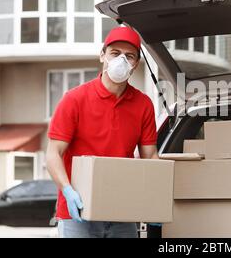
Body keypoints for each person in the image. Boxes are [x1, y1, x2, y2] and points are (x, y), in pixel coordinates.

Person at [46, 26, 159, 238]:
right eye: (115, 53)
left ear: (136, 64)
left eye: (129, 56)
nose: (121, 61)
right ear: (102, 56)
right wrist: (67, 191)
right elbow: (53, 153)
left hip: (121, 211)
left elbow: (150, 155)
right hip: (77, 212)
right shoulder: (74, 99)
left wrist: (155, 197)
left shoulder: (143, 104)